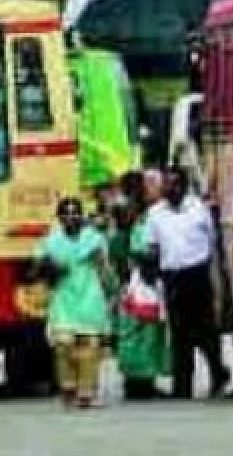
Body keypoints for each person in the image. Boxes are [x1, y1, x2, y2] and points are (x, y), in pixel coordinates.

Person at [146, 168, 229, 400]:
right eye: (166, 184)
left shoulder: (198, 209)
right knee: (180, 335)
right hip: (172, 277)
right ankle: (182, 387)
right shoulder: (155, 214)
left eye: (174, 184)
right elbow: (153, 246)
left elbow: (212, 239)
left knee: (206, 332)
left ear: (184, 186)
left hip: (198, 275)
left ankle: (218, 373)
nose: (170, 189)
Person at [32, 198, 113, 409]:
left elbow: (103, 269)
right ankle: (68, 388)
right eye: (66, 213)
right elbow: (35, 269)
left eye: (75, 212)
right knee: (63, 345)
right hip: (63, 297)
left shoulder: (93, 239)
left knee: (88, 345)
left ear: (82, 216)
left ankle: (86, 393)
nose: (71, 217)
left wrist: (111, 293)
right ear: (59, 218)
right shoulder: (50, 241)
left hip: (89, 295)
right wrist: (48, 268)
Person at [115, 173, 170, 400]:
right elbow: (140, 250)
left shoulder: (133, 214)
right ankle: (140, 382)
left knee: (139, 332)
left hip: (135, 280)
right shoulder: (140, 217)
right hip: (142, 280)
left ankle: (139, 380)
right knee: (144, 331)